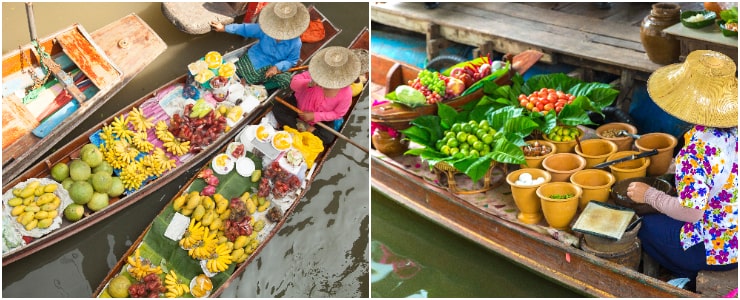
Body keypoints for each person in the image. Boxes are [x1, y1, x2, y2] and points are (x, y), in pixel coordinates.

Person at [627, 50, 738, 290]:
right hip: (735, 227)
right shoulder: (734, 131)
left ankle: (685, 273)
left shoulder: (695, 154)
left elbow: (692, 213)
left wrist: (649, 195)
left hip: (720, 250)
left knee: (643, 226)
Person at [272, 46, 362, 145]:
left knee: (327, 139)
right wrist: (309, 83)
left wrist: (315, 116)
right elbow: (293, 84)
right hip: (298, 106)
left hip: (320, 118)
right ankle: (304, 129)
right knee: (277, 108)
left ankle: (301, 127)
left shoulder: (346, 93)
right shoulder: (314, 74)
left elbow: (338, 114)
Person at [210, 2, 309, 90]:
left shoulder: (296, 42)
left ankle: (259, 88)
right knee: (235, 72)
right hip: (255, 57)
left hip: (273, 66)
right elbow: (245, 28)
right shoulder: (266, 29)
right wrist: (224, 28)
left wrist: (277, 67)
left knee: (285, 80)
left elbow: (292, 61)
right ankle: (247, 85)